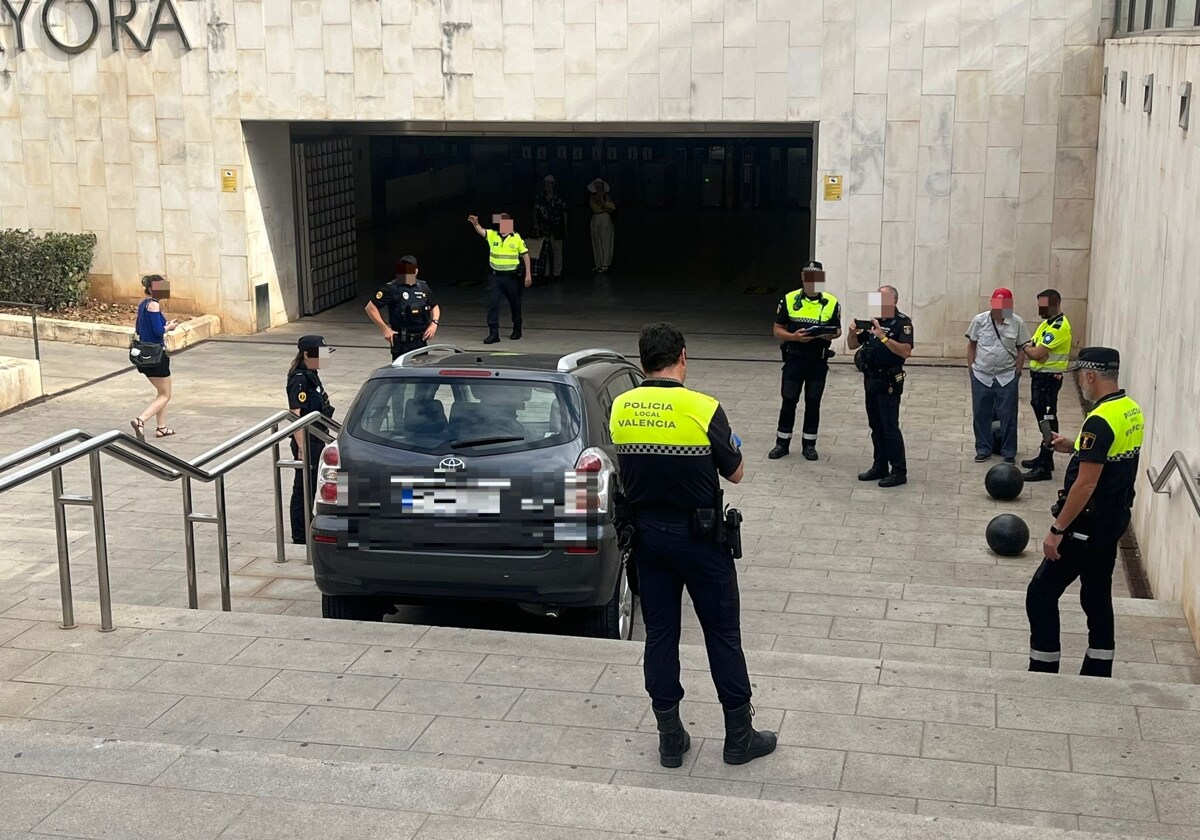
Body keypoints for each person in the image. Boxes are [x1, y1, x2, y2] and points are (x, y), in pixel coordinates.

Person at [610, 322, 776, 769]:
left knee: (660, 635)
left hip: (648, 539)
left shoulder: (621, 407)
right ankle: (739, 737)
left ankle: (670, 738)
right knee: (722, 634)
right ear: (682, 356)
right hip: (701, 540)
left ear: (643, 360)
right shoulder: (703, 408)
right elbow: (736, 472)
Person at [1025, 347, 1143, 678]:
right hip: (1114, 520)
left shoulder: (1100, 419)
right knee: (1096, 594)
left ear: (1090, 375)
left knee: (1041, 593)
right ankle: (1098, 668)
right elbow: (1110, 452)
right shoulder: (1129, 409)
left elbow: (1085, 485)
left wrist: (1057, 530)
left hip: (1086, 526)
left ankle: (1043, 666)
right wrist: (1073, 444)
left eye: (1080, 374)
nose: (1079, 379)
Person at [768, 260, 841, 461]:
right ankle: (781, 443)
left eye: (816, 277)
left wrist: (828, 336)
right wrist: (795, 337)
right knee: (789, 400)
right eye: (808, 277)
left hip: (817, 361)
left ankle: (809, 445)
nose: (812, 281)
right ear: (802, 277)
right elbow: (777, 329)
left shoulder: (831, 302)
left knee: (813, 402)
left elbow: (837, 330)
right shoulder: (789, 299)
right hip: (794, 359)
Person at [846, 285, 914, 487]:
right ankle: (880, 466)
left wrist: (883, 337)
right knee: (875, 425)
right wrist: (852, 332)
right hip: (871, 379)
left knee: (889, 425)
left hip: (889, 381)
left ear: (894, 301)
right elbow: (852, 345)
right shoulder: (873, 323)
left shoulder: (902, 323)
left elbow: (906, 351)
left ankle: (899, 471)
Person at [966, 288, 1032, 464]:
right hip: (981, 375)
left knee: (1008, 415)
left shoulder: (1017, 323)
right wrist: (971, 368)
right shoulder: (979, 320)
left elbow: (1021, 348)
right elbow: (971, 344)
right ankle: (983, 449)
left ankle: (1009, 451)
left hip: (1007, 376)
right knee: (981, 414)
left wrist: (1018, 371)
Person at [286, 335, 336, 545]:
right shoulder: (300, 378)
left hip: (318, 436)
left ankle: (308, 525)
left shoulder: (312, 375)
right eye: (319, 354)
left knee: (312, 484)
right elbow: (295, 414)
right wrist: (301, 446)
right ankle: (300, 535)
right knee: (303, 487)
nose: (324, 358)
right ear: (306, 355)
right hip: (307, 439)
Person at [1020, 289, 1073, 481]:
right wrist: (1032, 349)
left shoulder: (1058, 327)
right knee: (1041, 414)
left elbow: (1036, 353)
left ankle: (1044, 466)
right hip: (1040, 377)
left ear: (1055, 304)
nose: (1039, 309)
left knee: (1048, 419)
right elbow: (1034, 347)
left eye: (1042, 305)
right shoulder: (1046, 324)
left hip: (1049, 380)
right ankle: (1045, 457)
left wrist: (1027, 348)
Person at [129, 274, 180, 441]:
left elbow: (147, 327)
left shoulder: (144, 304)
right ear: (151, 289)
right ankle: (141, 420)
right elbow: (159, 331)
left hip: (144, 354)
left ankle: (161, 427)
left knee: (161, 392)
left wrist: (167, 326)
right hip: (156, 355)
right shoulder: (154, 306)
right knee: (166, 394)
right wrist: (169, 327)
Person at [468, 212, 531, 344]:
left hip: (511, 277)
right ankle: (493, 333)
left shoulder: (516, 238)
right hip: (495, 277)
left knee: (515, 303)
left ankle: (517, 328)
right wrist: (476, 224)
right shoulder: (493, 235)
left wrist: (528, 274)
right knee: (493, 303)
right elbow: (481, 231)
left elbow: (525, 255)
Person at [364, 255, 441, 361]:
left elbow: (434, 306)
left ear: (416, 271)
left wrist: (434, 323)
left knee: (421, 372)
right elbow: (370, 307)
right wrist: (385, 329)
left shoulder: (422, 286)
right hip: (402, 341)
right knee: (403, 375)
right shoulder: (392, 288)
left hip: (420, 340)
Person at [533, 175, 567, 280]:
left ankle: (557, 273)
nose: (548, 185)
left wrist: (565, 228)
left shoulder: (559, 197)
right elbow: (535, 211)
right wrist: (536, 225)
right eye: (546, 183)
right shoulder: (540, 197)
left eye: (550, 183)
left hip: (556, 227)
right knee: (544, 251)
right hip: (544, 228)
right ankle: (545, 273)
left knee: (557, 250)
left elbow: (564, 213)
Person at [588, 178, 615, 273]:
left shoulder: (606, 196)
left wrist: (602, 206)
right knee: (596, 241)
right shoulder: (592, 196)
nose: (598, 186)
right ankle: (598, 264)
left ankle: (605, 264)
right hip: (595, 218)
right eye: (597, 184)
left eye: (600, 184)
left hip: (604, 217)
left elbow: (612, 210)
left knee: (605, 241)